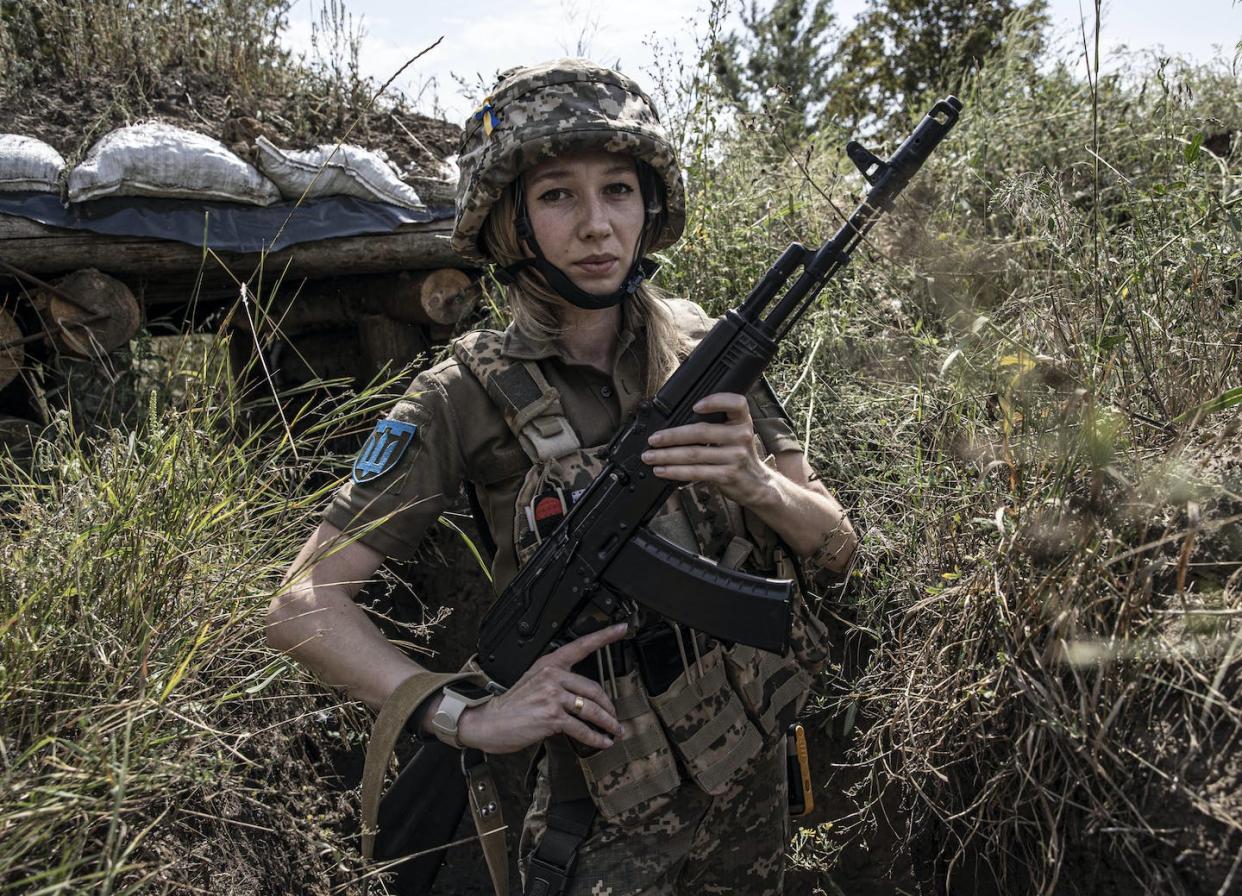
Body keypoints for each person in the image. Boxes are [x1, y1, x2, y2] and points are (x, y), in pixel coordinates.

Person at [266, 58, 858, 896]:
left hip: (748, 763)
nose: (596, 226)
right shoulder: (457, 396)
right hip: (598, 807)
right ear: (509, 222)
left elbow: (839, 547)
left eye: (618, 189)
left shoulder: (706, 351)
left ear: (649, 207)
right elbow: (301, 603)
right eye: (557, 196)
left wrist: (759, 483)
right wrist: (464, 715)